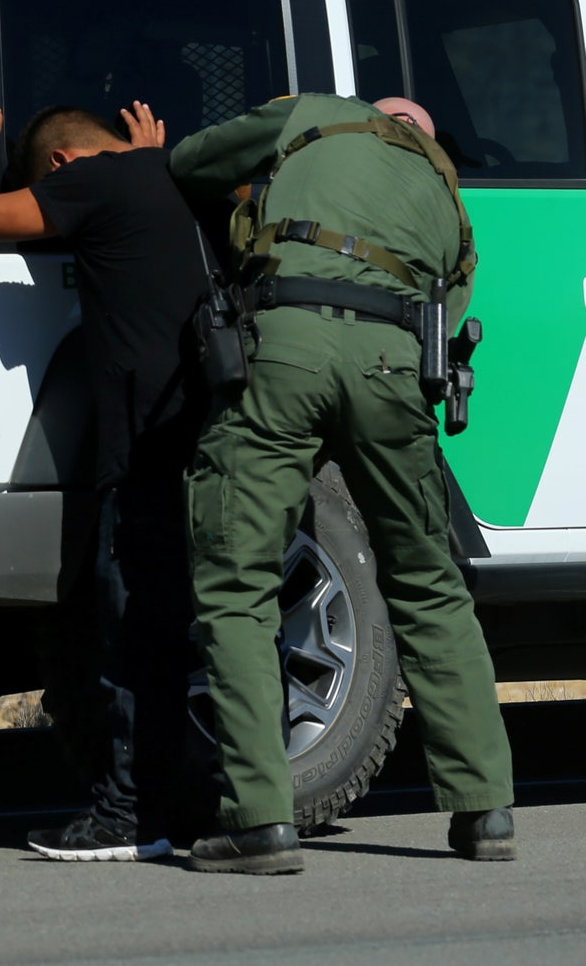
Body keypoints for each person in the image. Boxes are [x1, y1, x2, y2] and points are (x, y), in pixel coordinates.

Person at [169, 93, 514, 874]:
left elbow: (190, 162)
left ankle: (260, 821)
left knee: (237, 580)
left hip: (286, 345)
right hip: (395, 364)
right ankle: (485, 810)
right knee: (429, 584)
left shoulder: (311, 115)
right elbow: (448, 306)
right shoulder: (448, 197)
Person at [0, 74, 208, 861]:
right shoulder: (177, 174)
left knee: (131, 631)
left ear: (60, 164)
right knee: (199, 631)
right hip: (210, 439)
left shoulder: (89, 181)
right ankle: (200, 805)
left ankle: (128, 819)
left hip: (143, 444)